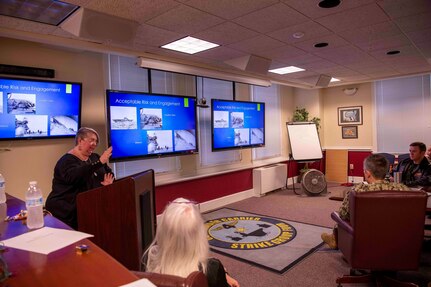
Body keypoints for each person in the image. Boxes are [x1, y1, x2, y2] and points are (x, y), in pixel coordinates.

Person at [143, 198, 240, 287]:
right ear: (199, 234)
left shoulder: (149, 258)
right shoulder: (212, 269)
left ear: (162, 231)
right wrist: (223, 274)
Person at [321, 154, 409, 249]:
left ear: (367, 173)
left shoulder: (357, 190)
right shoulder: (403, 189)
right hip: (395, 233)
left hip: (365, 234)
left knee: (341, 217)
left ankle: (335, 238)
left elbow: (343, 214)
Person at [45, 127, 114, 229]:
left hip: (87, 209)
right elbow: (77, 176)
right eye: (92, 140)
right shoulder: (66, 161)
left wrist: (107, 184)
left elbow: (108, 173)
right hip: (66, 213)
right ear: (80, 141)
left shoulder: (94, 157)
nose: (95, 144)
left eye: (96, 141)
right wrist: (99, 163)